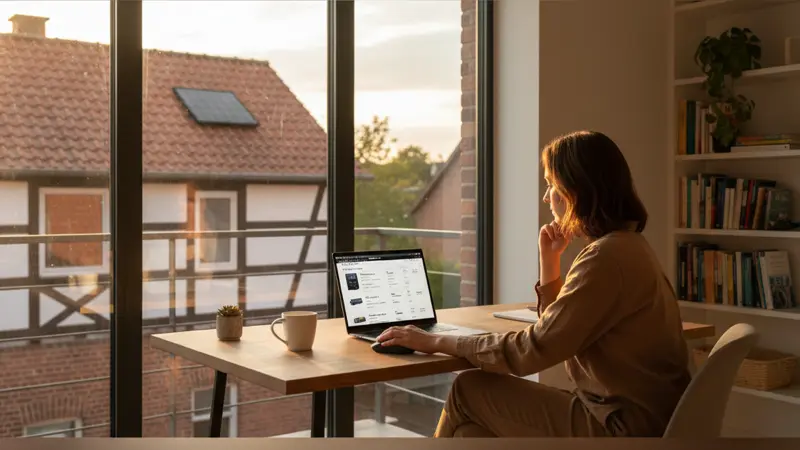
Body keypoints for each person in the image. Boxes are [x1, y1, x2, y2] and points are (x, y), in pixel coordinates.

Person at [376, 130, 691, 438]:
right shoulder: (628, 246)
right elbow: (557, 331)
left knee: (466, 389)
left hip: (620, 428)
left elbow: (532, 351)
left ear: (575, 192)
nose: (546, 197)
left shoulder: (606, 258)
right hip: (642, 421)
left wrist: (436, 341)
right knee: (471, 433)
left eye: (551, 185)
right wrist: (549, 261)